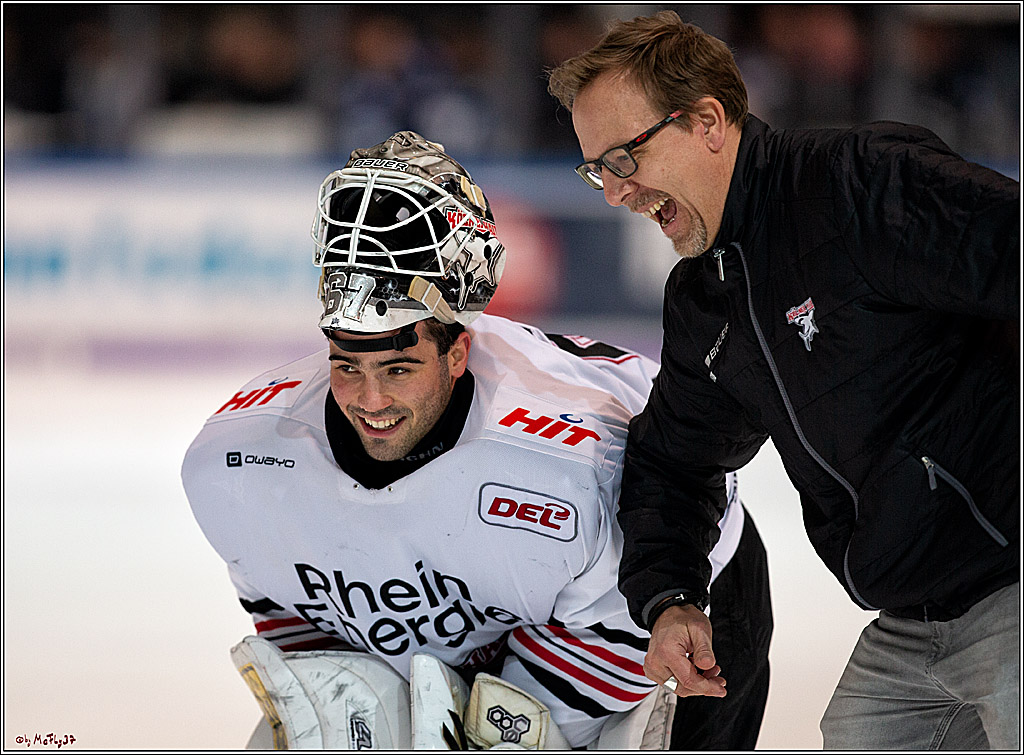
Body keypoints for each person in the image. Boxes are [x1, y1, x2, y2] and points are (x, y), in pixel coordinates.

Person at [181, 131, 772, 749]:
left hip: (689, 590)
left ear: (458, 352)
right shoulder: (235, 464)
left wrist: (501, 733)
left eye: (399, 369)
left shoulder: (581, 462)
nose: (370, 401)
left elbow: (632, 612)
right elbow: (283, 600)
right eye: (346, 365)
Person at [548, 10, 1019, 750]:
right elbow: (674, 463)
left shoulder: (856, 184)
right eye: (595, 169)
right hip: (910, 625)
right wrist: (670, 598)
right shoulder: (706, 301)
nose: (613, 192)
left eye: (623, 158)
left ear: (707, 122)